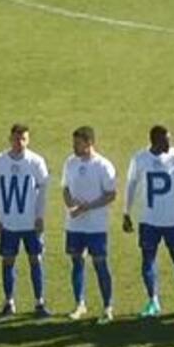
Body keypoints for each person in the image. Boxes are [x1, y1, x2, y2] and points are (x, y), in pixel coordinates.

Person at [123, 125, 174, 321]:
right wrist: (126, 213)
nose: (169, 143)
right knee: (148, 261)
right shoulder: (140, 158)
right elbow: (131, 184)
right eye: (166, 140)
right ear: (155, 141)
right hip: (149, 221)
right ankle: (152, 300)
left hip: (173, 221)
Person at [0, 124, 51, 318]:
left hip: (31, 223)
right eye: (16, 139)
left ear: (28, 140)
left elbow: (43, 190)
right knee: (8, 261)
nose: (20, 143)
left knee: (35, 260)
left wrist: (40, 216)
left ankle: (39, 302)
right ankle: (9, 301)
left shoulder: (36, 161)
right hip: (9, 222)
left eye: (23, 139)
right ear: (10, 139)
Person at [62, 126, 117, 324]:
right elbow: (65, 189)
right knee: (76, 262)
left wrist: (87, 207)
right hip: (75, 225)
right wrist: (71, 206)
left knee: (100, 264)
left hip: (96, 226)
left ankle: (107, 307)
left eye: (78, 143)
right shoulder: (70, 162)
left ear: (89, 143)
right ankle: (79, 304)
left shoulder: (103, 165)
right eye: (74, 143)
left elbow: (111, 194)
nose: (74, 147)